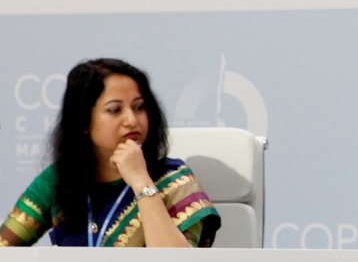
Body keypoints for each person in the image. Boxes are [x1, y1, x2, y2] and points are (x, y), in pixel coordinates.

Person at [1, 58, 220, 248]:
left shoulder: (175, 181)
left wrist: (140, 180)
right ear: (83, 121)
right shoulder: (58, 181)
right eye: (115, 110)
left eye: (139, 107)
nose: (131, 120)